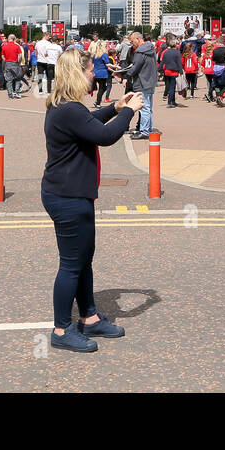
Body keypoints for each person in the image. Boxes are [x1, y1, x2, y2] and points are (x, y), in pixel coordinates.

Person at [41, 49, 143, 352]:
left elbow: (89, 122)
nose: (93, 75)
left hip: (72, 193)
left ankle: (89, 316)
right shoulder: (70, 109)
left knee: (83, 260)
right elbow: (104, 136)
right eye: (89, 70)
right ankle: (61, 330)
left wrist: (115, 106)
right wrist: (129, 111)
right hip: (67, 196)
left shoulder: (66, 106)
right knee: (72, 265)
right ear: (77, 74)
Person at [127, 32, 158, 139]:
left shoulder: (140, 51)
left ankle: (144, 131)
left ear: (138, 39)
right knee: (148, 108)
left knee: (144, 108)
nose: (131, 44)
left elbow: (135, 67)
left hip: (142, 82)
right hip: (150, 81)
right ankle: (148, 129)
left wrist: (125, 74)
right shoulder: (151, 49)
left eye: (132, 41)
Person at [160, 35, 182, 108]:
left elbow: (162, 62)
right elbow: (179, 63)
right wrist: (181, 71)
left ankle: (173, 101)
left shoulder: (166, 52)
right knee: (172, 87)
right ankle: (170, 102)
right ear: (175, 45)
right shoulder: (177, 52)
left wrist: (159, 69)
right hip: (174, 72)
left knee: (169, 86)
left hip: (167, 71)